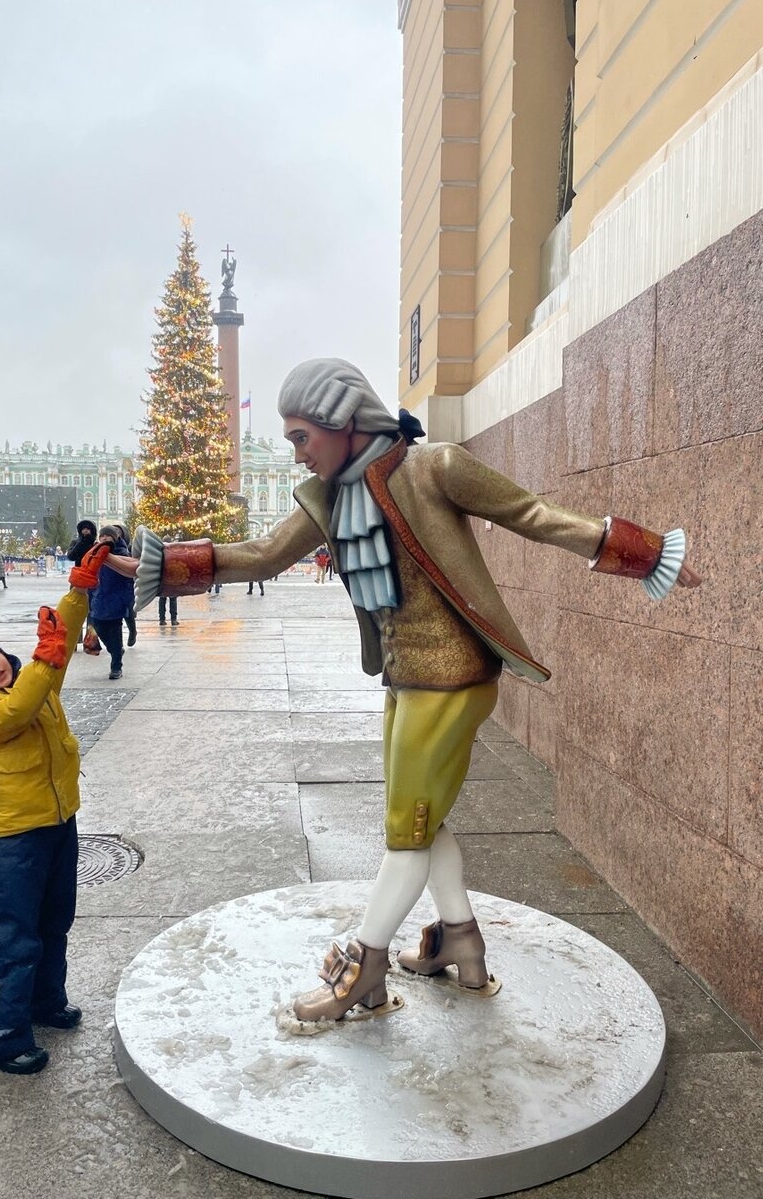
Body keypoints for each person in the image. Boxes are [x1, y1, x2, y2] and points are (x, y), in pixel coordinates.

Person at [113, 358, 702, 1024]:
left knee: (405, 836)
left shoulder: (435, 468)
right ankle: (460, 940)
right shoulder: (331, 496)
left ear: (342, 420)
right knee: (422, 820)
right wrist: (162, 567)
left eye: (302, 437)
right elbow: (263, 554)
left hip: (453, 679)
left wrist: (650, 554)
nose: (298, 454)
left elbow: (533, 515)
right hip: (403, 678)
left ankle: (365, 966)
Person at [0, 540, 113, 1074]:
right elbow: (14, 712)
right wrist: (44, 657)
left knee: (54, 921)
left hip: (59, 821)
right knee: (15, 936)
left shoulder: (32, 680)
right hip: (15, 835)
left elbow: (57, 646)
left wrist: (77, 592)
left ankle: (44, 1002)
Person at [89, 525, 134, 680]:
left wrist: (127, 601)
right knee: (99, 628)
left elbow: (129, 580)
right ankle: (116, 651)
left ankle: (116, 667)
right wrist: (90, 595)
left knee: (115, 635)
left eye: (107, 536)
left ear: (114, 538)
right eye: (102, 536)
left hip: (116, 600)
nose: (104, 538)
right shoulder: (96, 553)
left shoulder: (122, 554)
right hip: (99, 599)